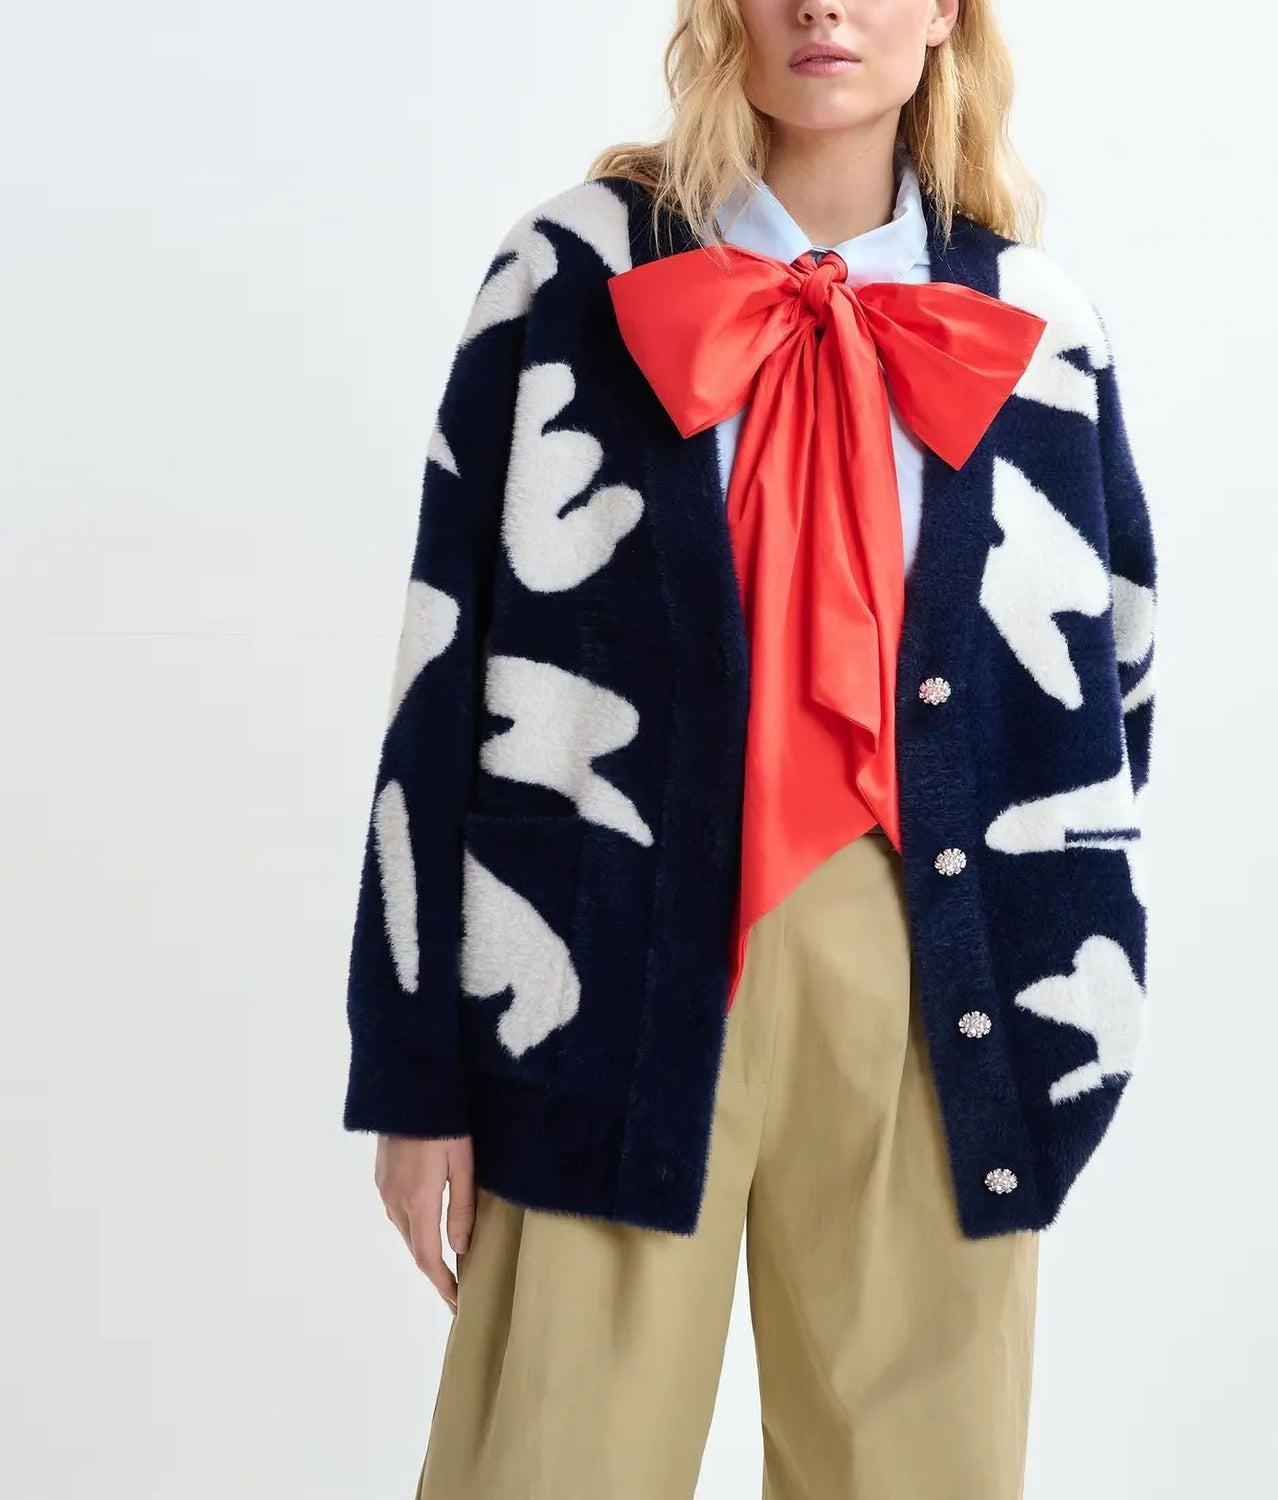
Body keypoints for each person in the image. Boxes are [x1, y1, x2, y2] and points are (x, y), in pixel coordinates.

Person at [341, 1, 1159, 1496]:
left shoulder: (1040, 326)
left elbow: (1112, 688)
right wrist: (414, 1073)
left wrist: (1068, 1012)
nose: (823, 7)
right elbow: (442, 673)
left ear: (944, 12)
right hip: (599, 974)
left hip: (934, 992)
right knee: (554, 1467)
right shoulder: (570, 275)